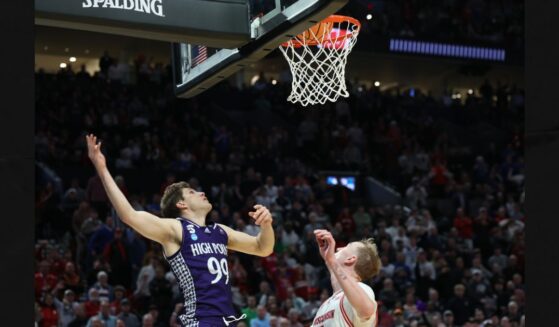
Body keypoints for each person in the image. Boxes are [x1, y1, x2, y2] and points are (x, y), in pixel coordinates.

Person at [86, 134, 275, 327]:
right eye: (192, 192)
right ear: (181, 203)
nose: (201, 192)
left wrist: (266, 225)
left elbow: (263, 248)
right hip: (199, 321)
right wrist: (102, 169)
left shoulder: (220, 231)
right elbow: (129, 215)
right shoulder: (176, 228)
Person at [311, 229, 382, 327]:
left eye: (345, 247)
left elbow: (367, 310)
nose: (338, 248)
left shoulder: (363, 288)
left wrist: (332, 261)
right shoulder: (326, 304)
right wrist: (329, 261)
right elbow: (336, 275)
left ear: (350, 259)